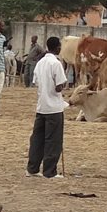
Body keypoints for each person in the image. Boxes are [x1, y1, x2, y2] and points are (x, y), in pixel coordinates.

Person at [28, 36, 69, 179]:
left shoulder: (40, 63)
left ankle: (32, 169)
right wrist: (62, 85)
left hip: (41, 106)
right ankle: (49, 171)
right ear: (57, 47)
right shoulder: (56, 63)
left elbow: (36, 82)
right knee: (53, 140)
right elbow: (59, 87)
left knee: (37, 139)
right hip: (54, 108)